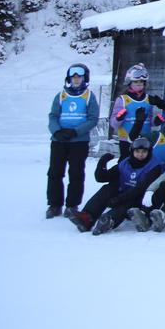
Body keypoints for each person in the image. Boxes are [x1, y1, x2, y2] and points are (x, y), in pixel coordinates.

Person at [67, 138, 164, 235]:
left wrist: (119, 199)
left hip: (140, 199)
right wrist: (102, 163)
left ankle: (109, 220)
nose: (140, 154)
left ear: (149, 152)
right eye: (137, 151)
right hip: (124, 193)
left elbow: (140, 188)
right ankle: (87, 217)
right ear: (132, 151)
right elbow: (102, 178)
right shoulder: (125, 163)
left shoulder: (154, 166)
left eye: (144, 152)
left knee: (129, 201)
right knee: (108, 188)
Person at [47, 63, 100, 219]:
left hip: (78, 141)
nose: (76, 80)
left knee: (76, 173)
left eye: (79, 77)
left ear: (84, 78)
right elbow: (53, 116)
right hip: (59, 140)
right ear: (69, 79)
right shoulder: (61, 95)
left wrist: (76, 131)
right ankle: (54, 204)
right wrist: (57, 131)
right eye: (73, 77)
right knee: (55, 173)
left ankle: (72, 205)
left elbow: (93, 119)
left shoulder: (89, 96)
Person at [109, 64, 153, 158]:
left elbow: (150, 120)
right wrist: (119, 119)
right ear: (129, 82)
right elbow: (113, 124)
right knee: (126, 163)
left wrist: (156, 122)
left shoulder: (149, 99)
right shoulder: (122, 100)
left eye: (141, 81)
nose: (139, 84)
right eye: (136, 81)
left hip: (145, 139)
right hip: (126, 140)